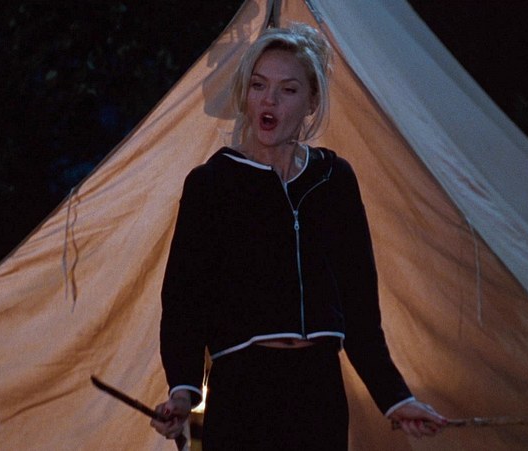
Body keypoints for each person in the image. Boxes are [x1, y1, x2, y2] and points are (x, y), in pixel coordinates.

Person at [150, 23, 447, 450]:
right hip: (242, 393)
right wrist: (182, 391)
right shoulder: (212, 184)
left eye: (287, 90)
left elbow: (360, 310)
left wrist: (395, 398)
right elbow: (183, 304)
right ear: (245, 94)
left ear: (312, 101)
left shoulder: (333, 180)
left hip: (318, 393)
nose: (268, 100)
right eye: (258, 85)